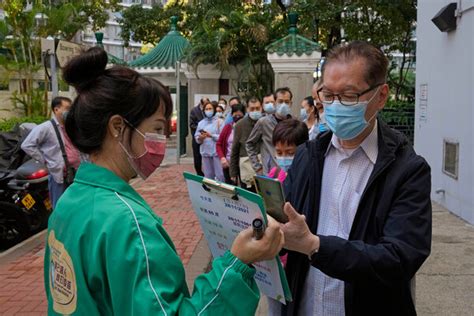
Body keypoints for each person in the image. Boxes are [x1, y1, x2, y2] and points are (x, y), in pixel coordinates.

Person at [44, 47, 284, 315]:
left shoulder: (69, 202)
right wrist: (238, 262)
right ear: (117, 127)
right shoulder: (128, 224)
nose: (160, 141)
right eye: (157, 129)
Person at [277, 41, 432, 315]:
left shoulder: (407, 171)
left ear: (381, 96)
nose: (335, 105)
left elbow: (399, 258)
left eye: (349, 96)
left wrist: (316, 246)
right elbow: (285, 222)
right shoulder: (308, 156)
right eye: (327, 94)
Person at [21, 96, 80, 208]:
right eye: (67, 108)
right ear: (56, 110)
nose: (70, 111)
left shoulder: (70, 126)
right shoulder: (46, 127)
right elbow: (27, 145)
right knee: (59, 206)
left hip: (76, 172)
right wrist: (45, 160)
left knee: (74, 206)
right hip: (59, 175)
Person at [246, 87, 293, 174]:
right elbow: (250, 144)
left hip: (291, 173)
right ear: (274, 103)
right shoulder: (264, 122)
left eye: (286, 102)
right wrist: (257, 167)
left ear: (291, 103)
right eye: (280, 101)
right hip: (270, 173)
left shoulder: (295, 123)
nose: (283, 105)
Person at [229, 97, 263, 190]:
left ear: (261, 108)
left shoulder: (266, 122)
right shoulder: (240, 125)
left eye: (257, 108)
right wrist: (233, 172)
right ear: (247, 109)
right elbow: (235, 150)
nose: (255, 111)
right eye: (252, 109)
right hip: (246, 169)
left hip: (264, 168)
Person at [267, 119, 308, 183]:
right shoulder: (275, 173)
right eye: (279, 153)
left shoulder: (309, 177)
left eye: (290, 153)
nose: (283, 159)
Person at [195, 101, 225, 181]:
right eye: (206, 109)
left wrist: (211, 135)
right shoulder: (201, 123)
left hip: (217, 153)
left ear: (214, 110)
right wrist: (200, 138)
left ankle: (221, 191)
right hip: (205, 153)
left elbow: (223, 138)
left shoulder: (220, 122)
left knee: (220, 175)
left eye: (210, 108)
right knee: (208, 176)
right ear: (204, 111)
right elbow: (196, 137)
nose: (208, 110)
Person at [216, 103, 246, 184]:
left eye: (240, 115)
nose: (237, 117)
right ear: (232, 115)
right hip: (228, 163)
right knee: (230, 187)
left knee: (245, 186)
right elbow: (218, 144)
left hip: (243, 163)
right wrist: (222, 158)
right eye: (235, 115)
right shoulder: (227, 127)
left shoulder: (247, 129)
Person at [189, 97, 209, 176]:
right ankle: (199, 173)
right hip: (198, 137)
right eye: (205, 104)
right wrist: (202, 130)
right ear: (201, 103)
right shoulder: (194, 111)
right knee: (197, 157)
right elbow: (192, 125)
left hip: (208, 138)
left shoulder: (208, 110)